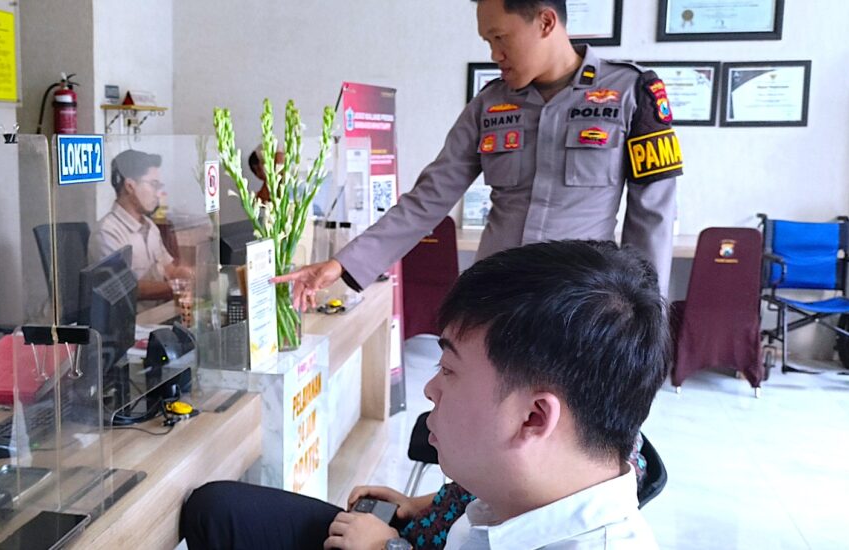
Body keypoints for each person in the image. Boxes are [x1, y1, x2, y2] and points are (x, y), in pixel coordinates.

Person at [181, 240, 669, 549]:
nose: (431, 388)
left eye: (449, 370)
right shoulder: (549, 475)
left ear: (534, 418)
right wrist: (422, 506)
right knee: (218, 511)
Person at [276, 0, 682, 308]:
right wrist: (343, 264)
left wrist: (645, 319)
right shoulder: (488, 105)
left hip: (580, 306)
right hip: (495, 298)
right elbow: (427, 200)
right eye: (488, 42)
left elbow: (652, 218)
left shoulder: (631, 93)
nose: (494, 54)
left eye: (500, 38)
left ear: (545, 22)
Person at [95, 149, 192, 302]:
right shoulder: (107, 232)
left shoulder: (150, 227)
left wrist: (185, 274)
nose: (158, 194)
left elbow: (169, 270)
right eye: (154, 185)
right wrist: (177, 287)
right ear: (130, 186)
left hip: (160, 312)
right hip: (136, 316)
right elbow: (127, 289)